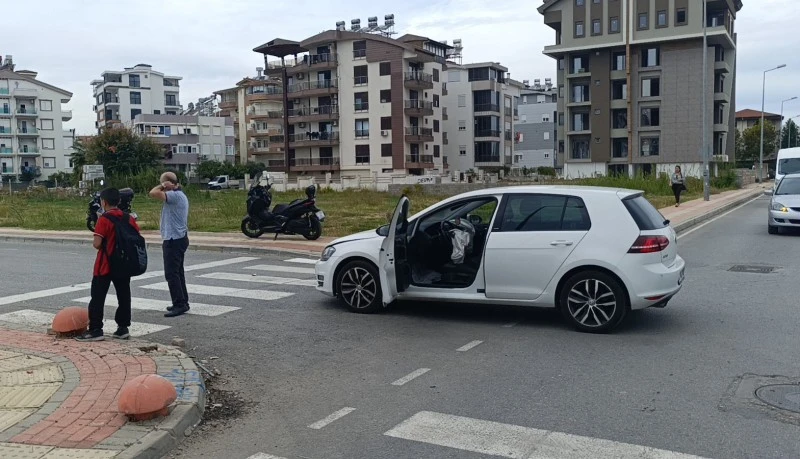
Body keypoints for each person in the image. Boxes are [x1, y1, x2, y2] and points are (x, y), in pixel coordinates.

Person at [76, 188, 139, 342]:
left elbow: (97, 244)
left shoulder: (104, 219)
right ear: (119, 201)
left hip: (105, 264)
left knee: (98, 297)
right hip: (124, 263)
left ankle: (96, 329)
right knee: (124, 295)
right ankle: (123, 328)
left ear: (103, 202)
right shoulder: (129, 218)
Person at [149, 172, 190, 317]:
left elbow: (153, 193)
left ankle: (180, 304)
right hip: (178, 238)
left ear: (168, 184)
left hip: (174, 239)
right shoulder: (178, 195)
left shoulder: (174, 195)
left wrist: (162, 185)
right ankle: (182, 301)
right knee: (178, 272)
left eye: (163, 183)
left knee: (171, 273)